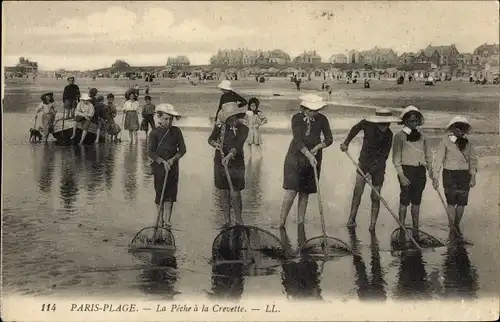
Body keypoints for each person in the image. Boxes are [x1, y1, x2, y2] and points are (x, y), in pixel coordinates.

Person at [340, 108, 400, 231]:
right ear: (377, 121)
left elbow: (384, 157)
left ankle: (372, 225)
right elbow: (355, 129)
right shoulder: (367, 124)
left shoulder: (389, 135)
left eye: (387, 123)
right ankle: (351, 219)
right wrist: (346, 142)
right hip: (363, 163)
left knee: (376, 196)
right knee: (357, 192)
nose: (385, 126)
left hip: (378, 167)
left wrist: (370, 172)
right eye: (382, 123)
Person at [279, 94, 333, 227]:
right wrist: (309, 155)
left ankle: (300, 223)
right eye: (310, 110)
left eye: (316, 110)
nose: (314, 113)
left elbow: (329, 139)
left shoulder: (322, 119)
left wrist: (317, 147)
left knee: (305, 192)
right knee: (291, 190)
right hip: (295, 157)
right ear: (303, 108)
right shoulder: (296, 118)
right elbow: (297, 140)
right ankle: (281, 222)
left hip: (314, 157)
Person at [392, 105, 436, 237]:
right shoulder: (399, 137)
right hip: (406, 171)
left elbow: (428, 155)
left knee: (417, 200)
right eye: (411, 121)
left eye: (416, 121)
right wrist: (401, 174)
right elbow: (396, 158)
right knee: (404, 199)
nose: (414, 123)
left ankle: (416, 229)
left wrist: (431, 171)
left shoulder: (423, 136)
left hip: (420, 171)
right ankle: (402, 228)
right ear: (405, 121)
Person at [432, 116, 477, 233]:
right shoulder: (445, 141)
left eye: (463, 129)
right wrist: (435, 177)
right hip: (449, 174)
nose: (460, 131)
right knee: (451, 202)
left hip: (464, 175)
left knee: (462, 202)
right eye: (458, 128)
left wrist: (473, 177)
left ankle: (456, 225)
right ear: (452, 128)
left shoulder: (469, 143)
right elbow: (438, 160)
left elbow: (473, 161)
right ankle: (452, 228)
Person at [208, 102, 249, 226]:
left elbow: (239, 144)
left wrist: (229, 156)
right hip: (220, 163)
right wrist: (216, 144)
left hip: (236, 163)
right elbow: (210, 139)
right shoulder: (220, 127)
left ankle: (238, 220)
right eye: (230, 119)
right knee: (224, 192)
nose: (233, 121)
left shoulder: (244, 129)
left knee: (236, 192)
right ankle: (226, 220)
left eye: (235, 118)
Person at [148, 104, 186, 229]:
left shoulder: (176, 131)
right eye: (165, 118)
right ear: (159, 117)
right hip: (159, 167)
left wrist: (172, 160)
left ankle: (168, 221)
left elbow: (183, 150)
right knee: (159, 192)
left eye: (170, 119)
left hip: (173, 167)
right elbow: (150, 153)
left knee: (170, 194)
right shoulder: (154, 133)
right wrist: (163, 162)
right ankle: (159, 220)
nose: (168, 121)